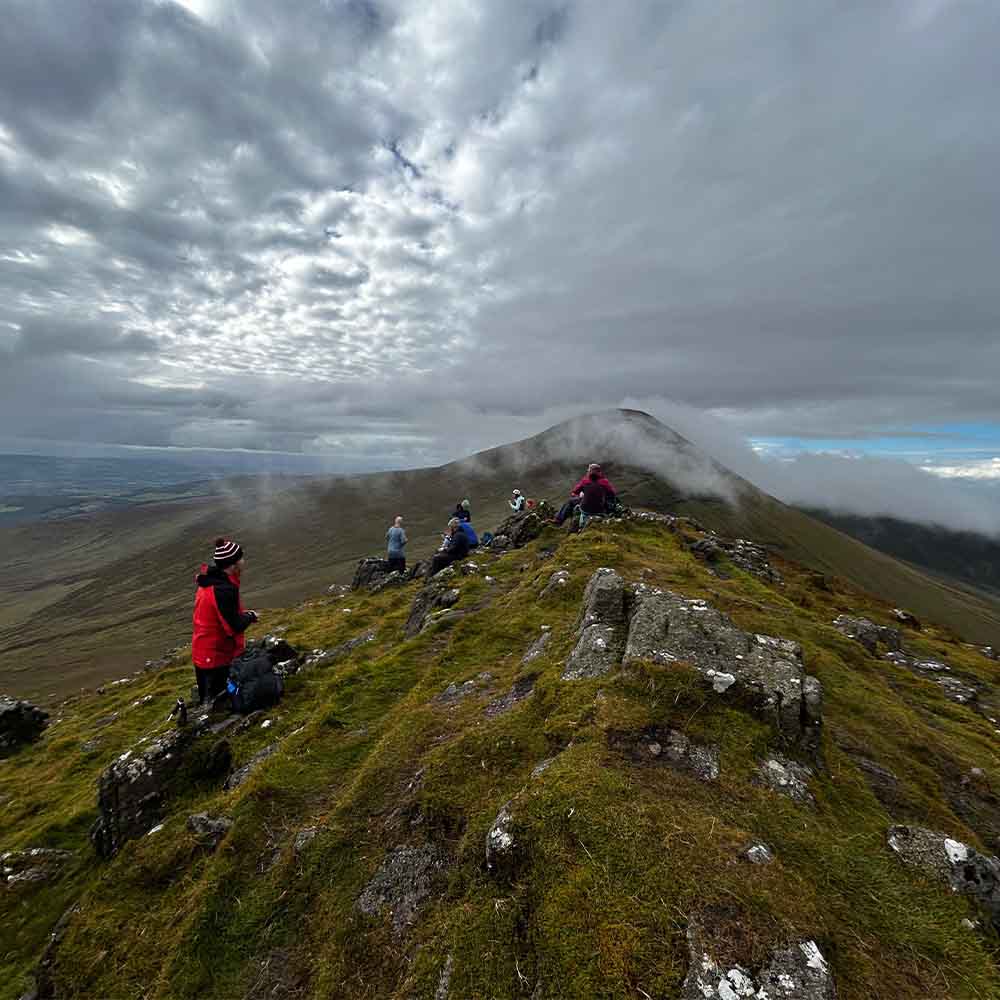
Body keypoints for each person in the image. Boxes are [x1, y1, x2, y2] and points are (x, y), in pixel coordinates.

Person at [191, 538, 258, 704]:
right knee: (221, 704)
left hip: (204, 652)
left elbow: (223, 615)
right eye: (241, 558)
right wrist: (250, 617)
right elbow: (233, 626)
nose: (244, 561)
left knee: (210, 701)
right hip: (216, 658)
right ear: (233, 565)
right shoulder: (223, 589)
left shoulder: (210, 582)